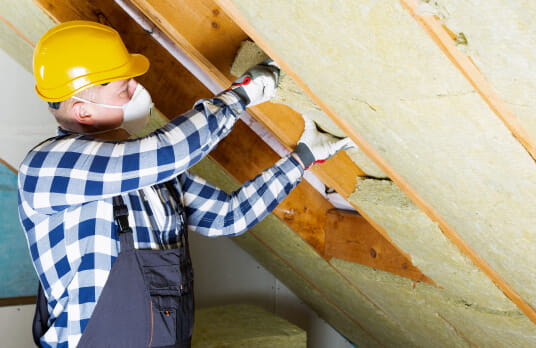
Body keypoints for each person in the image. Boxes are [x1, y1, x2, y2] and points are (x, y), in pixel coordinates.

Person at [19, 20, 354, 348]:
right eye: (125, 89)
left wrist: (302, 159)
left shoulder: (150, 172)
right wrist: (240, 96)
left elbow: (228, 215)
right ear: (84, 113)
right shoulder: (47, 167)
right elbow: (168, 152)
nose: (138, 91)